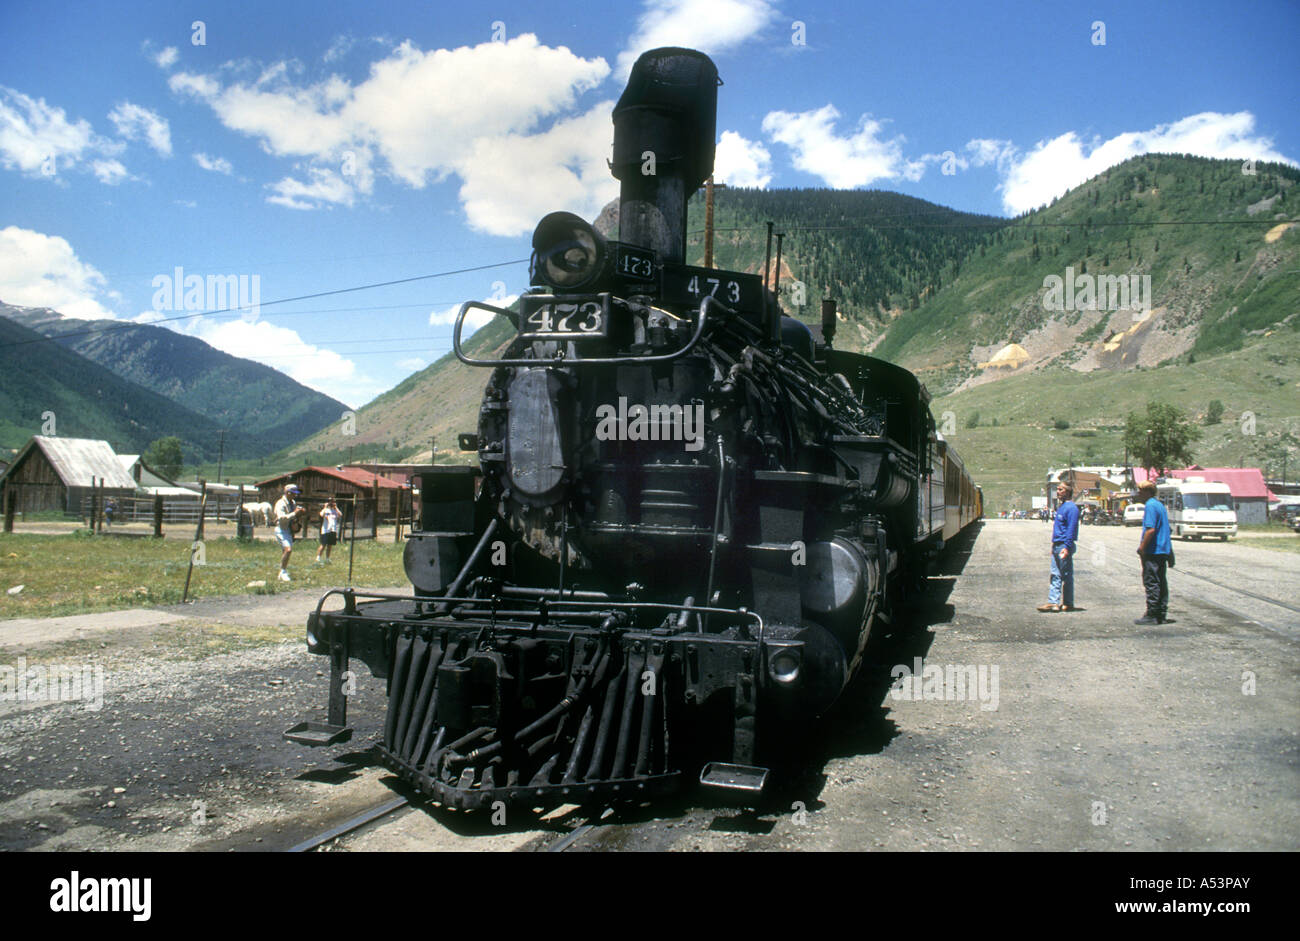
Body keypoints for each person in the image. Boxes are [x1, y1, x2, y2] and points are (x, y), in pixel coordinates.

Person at [1135, 480, 1172, 624]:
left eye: (1140, 491)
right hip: (1162, 550)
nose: (1138, 494)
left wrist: (1142, 548)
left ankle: (1152, 614)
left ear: (1147, 492)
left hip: (1153, 550)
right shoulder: (1159, 505)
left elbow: (1150, 530)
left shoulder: (1150, 506)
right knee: (1161, 581)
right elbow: (1166, 530)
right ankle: (1161, 613)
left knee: (1151, 581)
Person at [1038, 481, 1079, 612]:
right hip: (1057, 545)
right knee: (1055, 574)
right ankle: (1053, 602)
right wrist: (1053, 546)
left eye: (1061, 490)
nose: (1058, 492)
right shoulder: (1061, 507)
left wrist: (1066, 547)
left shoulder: (1072, 508)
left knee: (1066, 575)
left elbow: (1071, 530)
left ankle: (1068, 603)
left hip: (1063, 545)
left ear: (1067, 491)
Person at [273, 484, 306, 582]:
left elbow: (294, 514)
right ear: (288, 493)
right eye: (293, 493)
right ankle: (282, 572)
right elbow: (281, 518)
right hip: (281, 529)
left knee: (285, 551)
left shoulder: (293, 502)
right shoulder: (280, 504)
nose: (295, 496)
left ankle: (283, 571)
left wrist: (300, 512)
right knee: (288, 550)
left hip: (289, 529)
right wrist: (295, 513)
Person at [316, 497, 342, 564]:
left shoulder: (335, 511)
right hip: (325, 530)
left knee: (330, 545)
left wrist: (335, 507)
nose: (331, 503)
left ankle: (327, 558)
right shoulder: (326, 510)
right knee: (323, 544)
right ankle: (318, 557)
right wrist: (325, 507)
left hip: (333, 530)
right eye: (330, 502)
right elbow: (321, 514)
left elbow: (340, 515)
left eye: (333, 502)